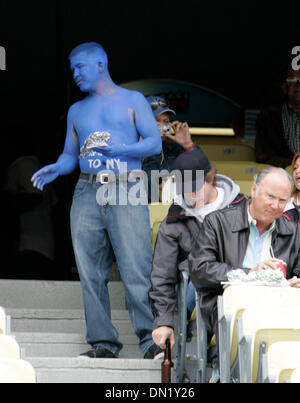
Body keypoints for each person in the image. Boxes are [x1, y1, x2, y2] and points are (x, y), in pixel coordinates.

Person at [31, 42, 163, 359]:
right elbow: (70, 154)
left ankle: (151, 341)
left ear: (100, 64)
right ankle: (102, 342)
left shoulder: (133, 100)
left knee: (136, 267)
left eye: (80, 67)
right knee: (90, 271)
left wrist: (122, 150)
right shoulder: (77, 110)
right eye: (72, 68)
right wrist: (58, 167)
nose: (75, 74)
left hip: (125, 184)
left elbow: (154, 143)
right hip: (87, 188)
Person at [188, 167, 300, 359]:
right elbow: (200, 269)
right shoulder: (217, 222)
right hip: (230, 304)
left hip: (279, 304)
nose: (275, 205)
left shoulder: (293, 232)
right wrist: (249, 273)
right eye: (270, 197)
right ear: (254, 190)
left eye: (282, 200)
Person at [150, 148, 245, 352]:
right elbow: (162, 275)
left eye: (195, 186)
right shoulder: (174, 220)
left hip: (241, 279)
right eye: (184, 187)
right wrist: (164, 321)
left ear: (210, 179)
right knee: (194, 278)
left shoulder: (242, 207)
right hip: (200, 284)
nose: (190, 193)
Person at [142, 95, 199, 202]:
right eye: (157, 120)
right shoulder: (127, 150)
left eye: (166, 121)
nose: (162, 125)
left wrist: (188, 144)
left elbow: (203, 173)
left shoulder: (175, 150)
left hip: (172, 215)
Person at [255, 67, 300, 168]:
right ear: (284, 87)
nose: (298, 85)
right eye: (292, 80)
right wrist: (294, 166)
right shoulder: (268, 117)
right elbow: (263, 156)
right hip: (284, 179)